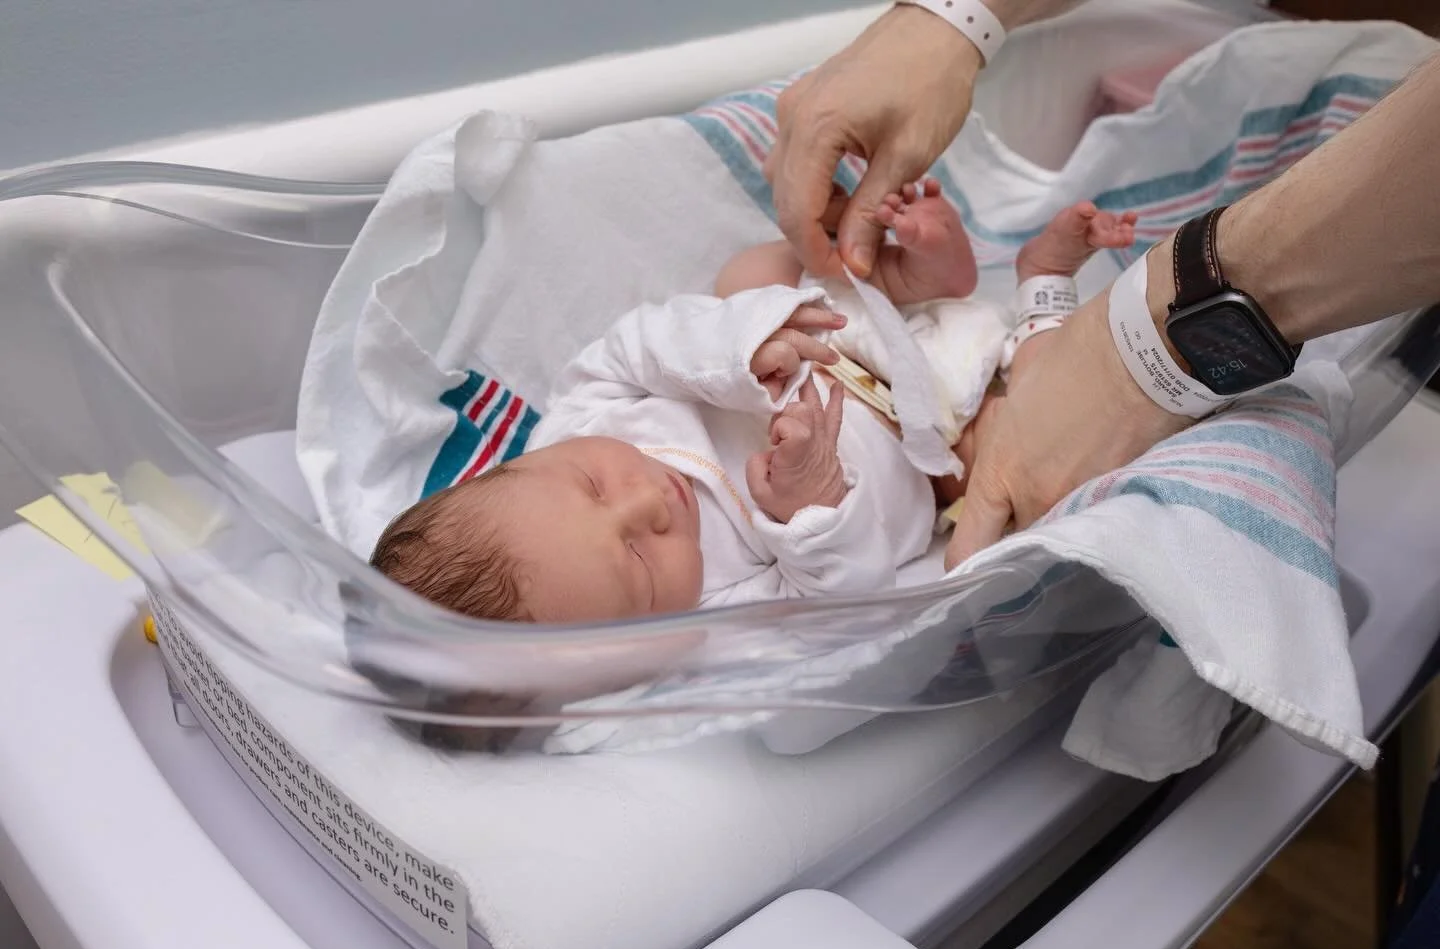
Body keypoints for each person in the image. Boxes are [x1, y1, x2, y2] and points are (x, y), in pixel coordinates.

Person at [767, 1, 1440, 568]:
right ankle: (1046, 272)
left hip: (968, 419)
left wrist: (1141, 357)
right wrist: (952, 20)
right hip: (961, 383)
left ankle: (1040, 275)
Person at [368, 189, 1132, 623]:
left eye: (592, 487)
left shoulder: (579, 422)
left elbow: (634, 345)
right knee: (1036, 449)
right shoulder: (716, 610)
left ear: (519, 467)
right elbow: (845, 609)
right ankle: (1044, 287)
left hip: (835, 341)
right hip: (940, 453)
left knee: (748, 277)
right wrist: (809, 512)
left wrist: (739, 350)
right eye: (636, 561)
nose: (645, 504)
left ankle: (895, 266)